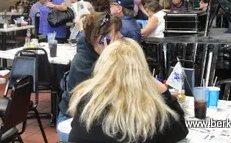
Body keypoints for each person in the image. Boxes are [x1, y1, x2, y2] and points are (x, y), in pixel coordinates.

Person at [68, 38, 189, 143]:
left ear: (103, 65)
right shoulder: (151, 110)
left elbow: (76, 131)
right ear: (141, 68)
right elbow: (180, 132)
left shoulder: (85, 98)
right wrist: (165, 94)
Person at [57, 12, 122, 141]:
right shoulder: (83, 63)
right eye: (116, 33)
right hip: (74, 118)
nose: (121, 36)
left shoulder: (104, 54)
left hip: (99, 116)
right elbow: (99, 101)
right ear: (101, 40)